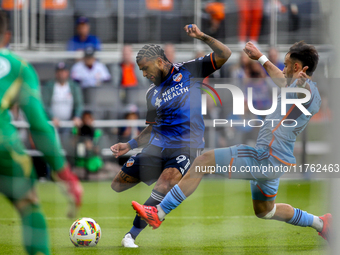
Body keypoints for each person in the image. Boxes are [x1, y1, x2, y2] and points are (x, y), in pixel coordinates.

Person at [132, 41, 331, 242]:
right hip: (277, 160)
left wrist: (301, 83)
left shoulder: (306, 90)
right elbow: (283, 80)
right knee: (265, 211)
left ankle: (158, 213)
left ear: (297, 68)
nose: (283, 69)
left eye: (287, 65)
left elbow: (300, 90)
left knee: (202, 162)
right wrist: (261, 57)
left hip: (266, 157)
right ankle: (321, 223)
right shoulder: (301, 87)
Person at [110, 24, 232, 248]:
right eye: (141, 71)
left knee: (165, 183)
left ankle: (131, 235)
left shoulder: (189, 70)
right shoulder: (152, 94)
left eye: (145, 69)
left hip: (187, 147)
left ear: (159, 61)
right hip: (157, 148)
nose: (144, 74)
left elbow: (225, 54)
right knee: (117, 184)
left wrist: (202, 36)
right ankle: (157, 191)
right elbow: (151, 128)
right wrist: (130, 145)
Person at [0, 11, 83, 255]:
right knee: (28, 203)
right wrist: (62, 172)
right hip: (3, 147)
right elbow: (38, 125)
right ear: (7, 36)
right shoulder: (17, 67)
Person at [42, 62, 83, 131]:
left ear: (67, 73)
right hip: (52, 122)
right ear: (56, 73)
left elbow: (79, 103)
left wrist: (77, 116)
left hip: (69, 123)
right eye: (59, 72)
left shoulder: (74, 86)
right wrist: (52, 117)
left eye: (63, 71)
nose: (61, 74)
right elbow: (44, 104)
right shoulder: (49, 86)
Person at [72, 111, 103, 175]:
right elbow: (72, 146)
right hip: (81, 164)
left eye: (89, 118)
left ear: (92, 119)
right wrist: (79, 132)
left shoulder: (98, 132)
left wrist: (91, 147)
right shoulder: (76, 130)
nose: (87, 120)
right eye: (85, 118)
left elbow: (99, 150)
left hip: (94, 164)